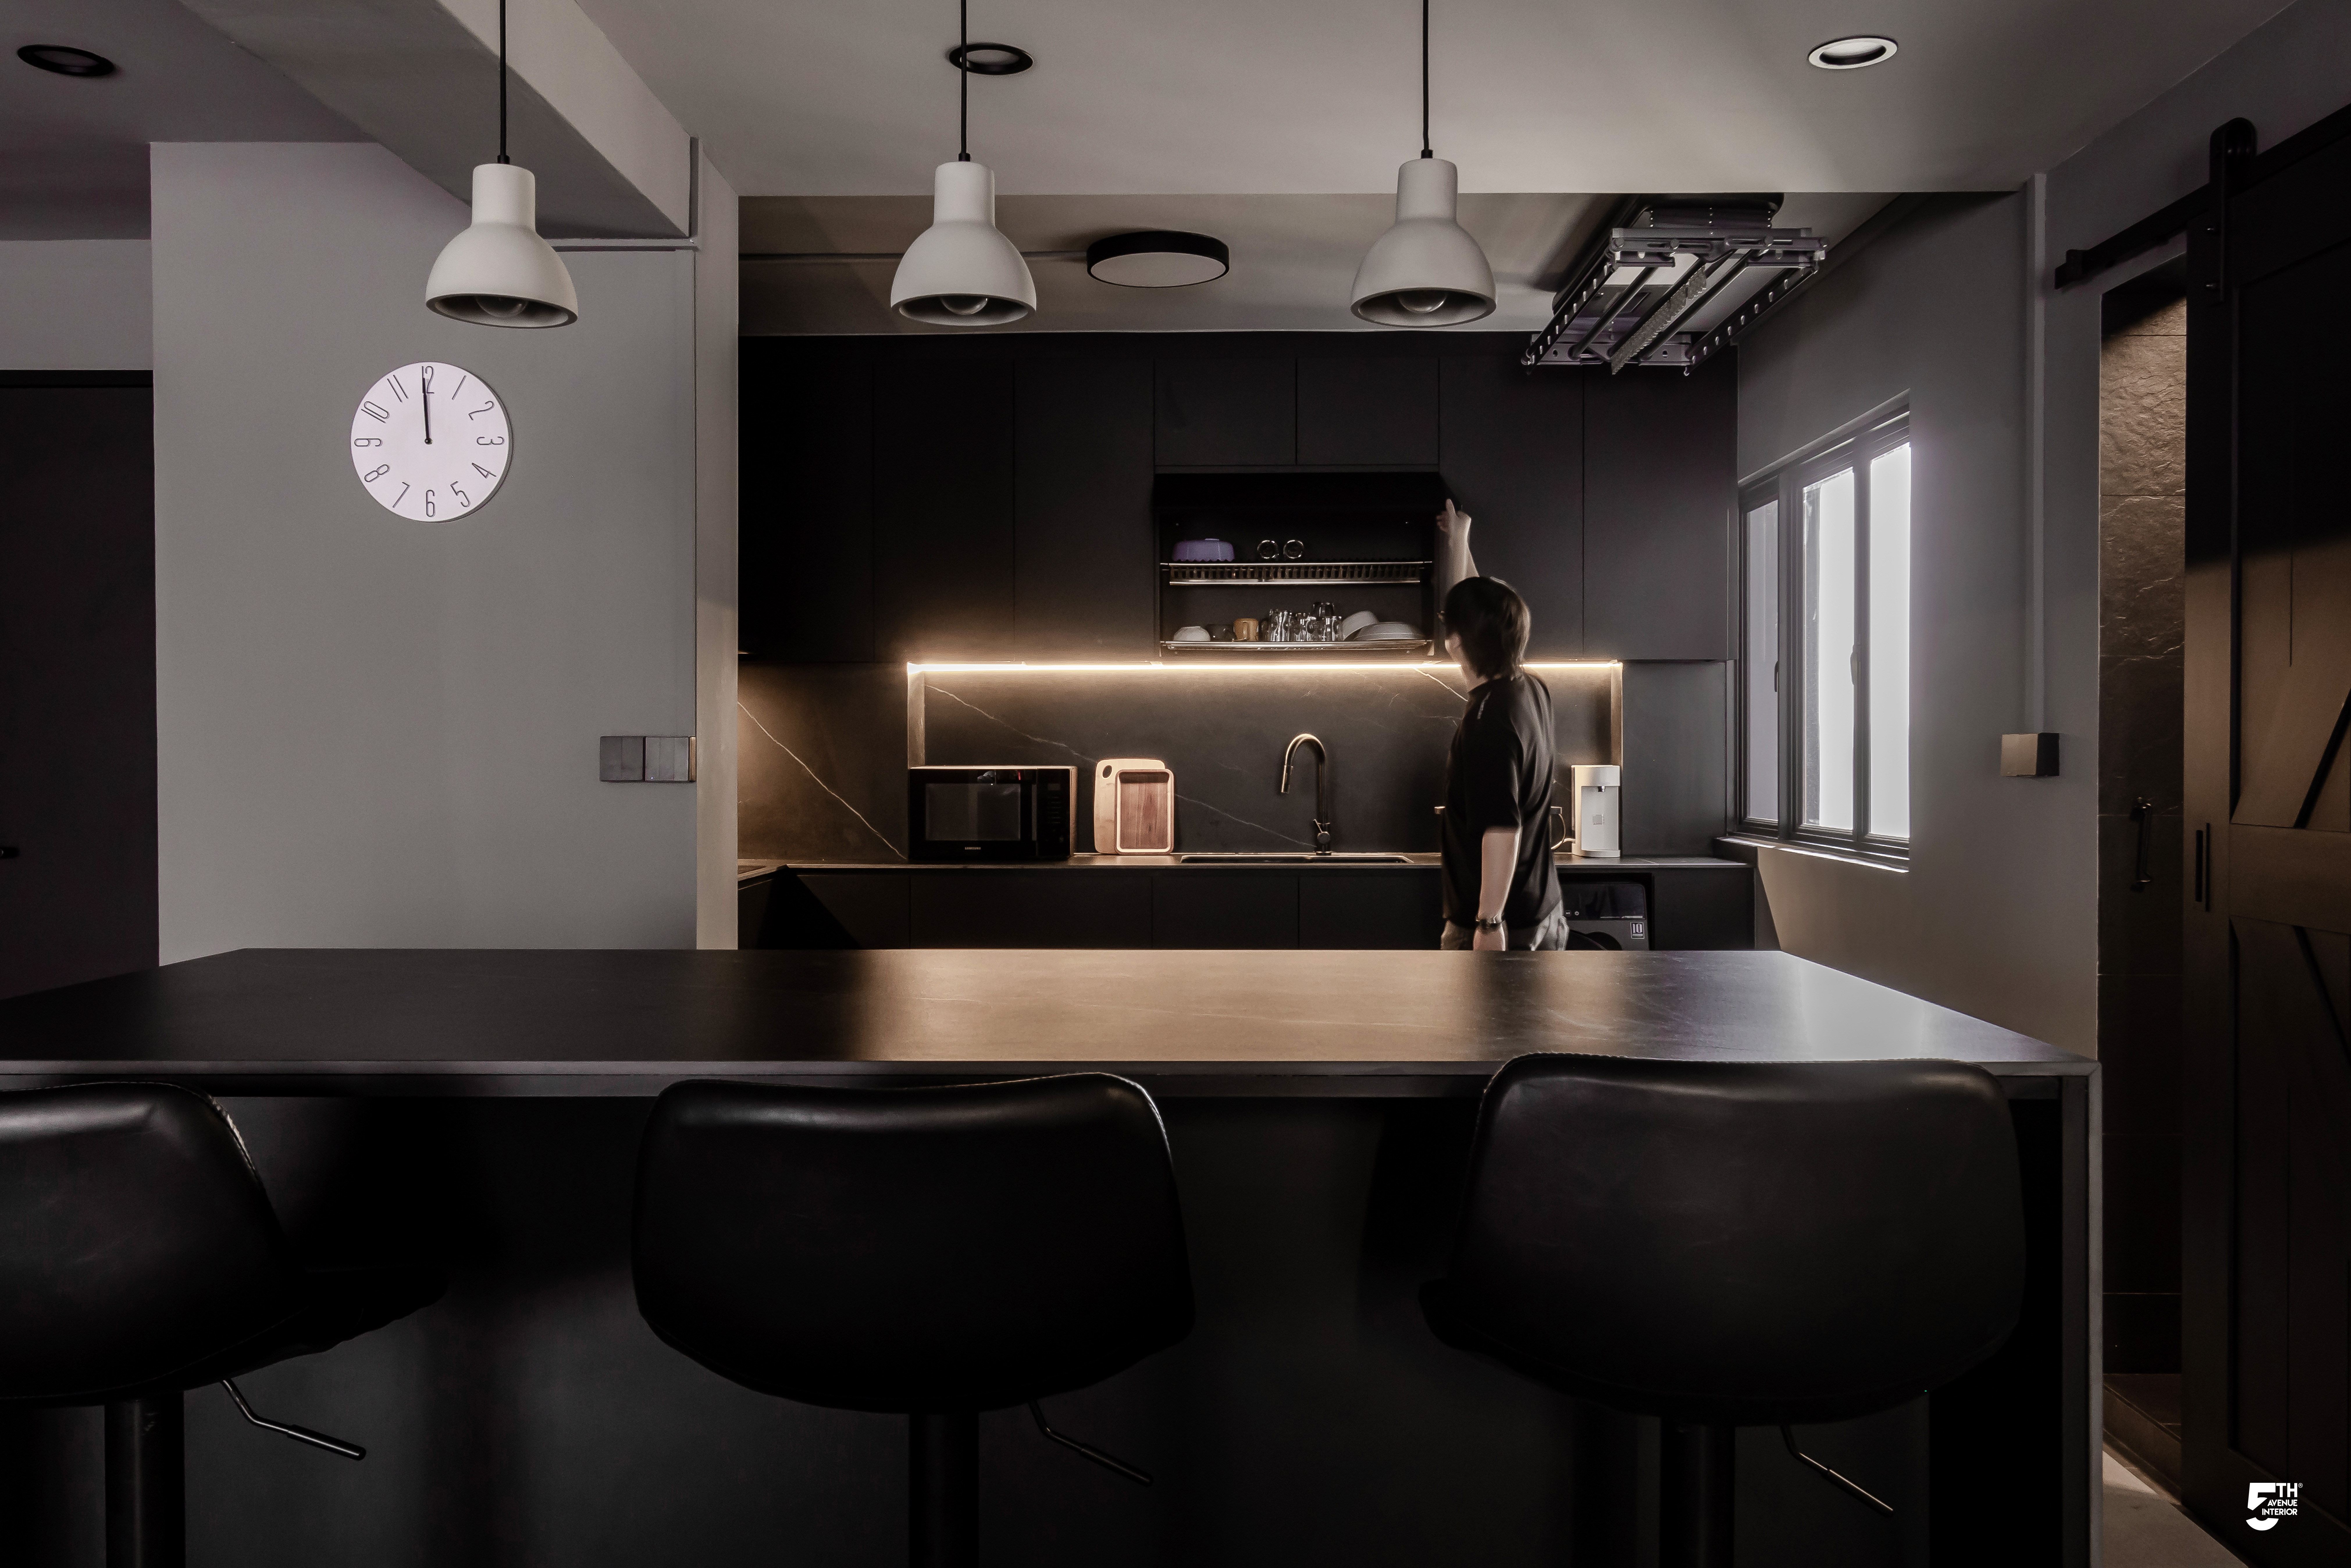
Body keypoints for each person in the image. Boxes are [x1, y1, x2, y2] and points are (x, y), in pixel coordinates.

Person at [1437, 530, 1564, 952]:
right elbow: (1489, 609)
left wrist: (1488, 924)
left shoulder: (1487, 721)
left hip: (1505, 928)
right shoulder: (1530, 688)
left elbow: (1501, 830)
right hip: (1544, 912)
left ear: (1456, 645)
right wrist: (1461, 539)